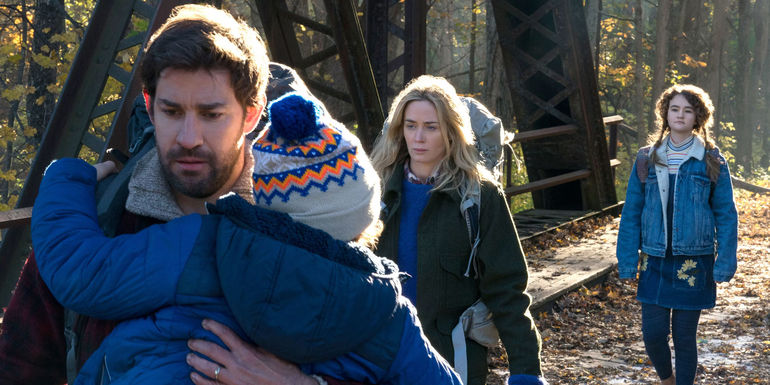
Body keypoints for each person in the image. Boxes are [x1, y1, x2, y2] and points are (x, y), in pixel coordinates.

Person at [1, 5, 366, 385]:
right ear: (149, 107)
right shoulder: (94, 222)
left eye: (211, 115)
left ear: (251, 115)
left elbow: (390, 356)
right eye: (172, 112)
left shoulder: (311, 222)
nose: (189, 138)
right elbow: (19, 370)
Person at [32, 92, 461, 385]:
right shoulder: (388, 313)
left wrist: (65, 177)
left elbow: (80, 269)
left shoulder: (203, 243)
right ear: (365, 216)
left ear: (260, 195)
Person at [369, 75, 546, 385]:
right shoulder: (374, 192)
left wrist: (526, 370)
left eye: (431, 127)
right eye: (411, 126)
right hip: (380, 358)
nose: (418, 137)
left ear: (451, 131)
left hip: (452, 361)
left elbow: (506, 287)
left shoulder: (479, 195)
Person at [616, 84, 738, 385]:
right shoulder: (647, 158)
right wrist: (627, 259)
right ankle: (667, 380)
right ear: (665, 114)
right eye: (674, 109)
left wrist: (725, 261)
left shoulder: (711, 160)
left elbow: (726, 214)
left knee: (685, 337)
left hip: (694, 262)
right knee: (653, 333)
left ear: (698, 116)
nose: (680, 115)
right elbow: (632, 211)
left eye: (687, 110)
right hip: (655, 259)